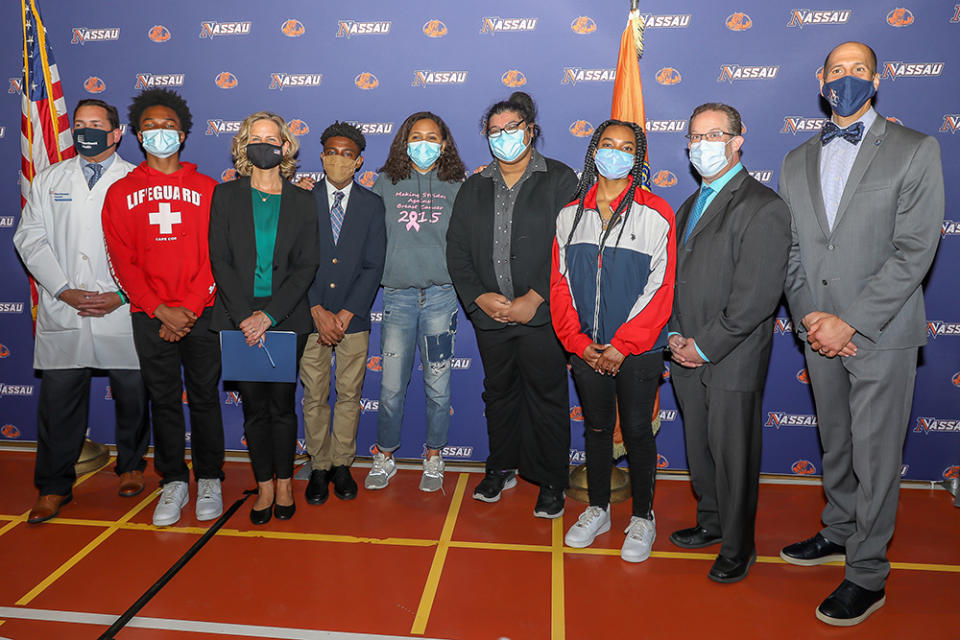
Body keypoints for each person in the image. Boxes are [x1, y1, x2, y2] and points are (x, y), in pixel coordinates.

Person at [779, 41, 944, 625]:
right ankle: (839, 530)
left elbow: (915, 249)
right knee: (838, 446)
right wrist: (812, 321)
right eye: (836, 70)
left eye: (858, 70)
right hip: (818, 331)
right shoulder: (796, 158)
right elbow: (793, 252)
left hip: (882, 332)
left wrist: (850, 320)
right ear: (820, 79)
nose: (846, 78)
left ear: (876, 81)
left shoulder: (914, 149)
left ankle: (867, 573)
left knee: (876, 458)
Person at [666, 103, 791, 583]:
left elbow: (756, 298)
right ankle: (712, 522)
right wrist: (675, 335)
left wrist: (705, 345)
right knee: (700, 448)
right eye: (695, 137)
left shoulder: (763, 206)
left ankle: (739, 547)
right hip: (684, 350)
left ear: (738, 140)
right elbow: (674, 281)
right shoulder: (688, 205)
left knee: (734, 454)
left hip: (730, 357)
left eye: (714, 135)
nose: (703, 145)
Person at [14, 99, 149, 523]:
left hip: (121, 308)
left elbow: (153, 251)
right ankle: (54, 487)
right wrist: (63, 289)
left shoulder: (137, 180)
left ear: (116, 133)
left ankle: (130, 466)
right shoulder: (51, 177)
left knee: (132, 395)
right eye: (79, 124)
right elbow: (30, 238)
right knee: (58, 404)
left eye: (96, 124)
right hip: (65, 307)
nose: (86, 131)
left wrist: (123, 296)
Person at [446, 91, 578, 518]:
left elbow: (569, 245)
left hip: (540, 316)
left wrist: (534, 298)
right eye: (495, 131)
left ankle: (551, 479)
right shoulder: (474, 186)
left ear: (531, 131)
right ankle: (500, 467)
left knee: (547, 397)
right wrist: (479, 298)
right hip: (491, 317)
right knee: (498, 395)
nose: (504, 137)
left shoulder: (560, 179)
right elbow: (457, 250)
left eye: (512, 128)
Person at [550, 120, 675, 560]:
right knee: (599, 429)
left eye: (627, 147)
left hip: (638, 350)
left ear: (638, 157)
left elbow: (661, 287)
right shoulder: (570, 214)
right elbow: (559, 285)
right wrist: (579, 342)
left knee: (638, 431)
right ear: (594, 150)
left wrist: (623, 344)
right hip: (586, 349)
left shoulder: (657, 212)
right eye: (608, 145)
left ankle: (643, 517)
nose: (616, 153)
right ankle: (599, 508)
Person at [102, 88, 225, 528]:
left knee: (206, 398)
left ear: (184, 134)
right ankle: (173, 480)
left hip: (202, 311)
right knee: (165, 400)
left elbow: (217, 256)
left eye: (168, 125)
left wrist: (188, 307)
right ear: (137, 134)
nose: (160, 132)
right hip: (150, 315)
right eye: (151, 126)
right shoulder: (120, 193)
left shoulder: (208, 189)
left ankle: (210, 476)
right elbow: (122, 261)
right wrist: (159, 309)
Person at [209, 112, 319, 525]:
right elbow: (219, 260)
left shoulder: (304, 200)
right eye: (254, 137)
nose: (263, 144)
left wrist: (269, 316)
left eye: (271, 138)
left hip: (286, 317)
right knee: (256, 407)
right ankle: (264, 484)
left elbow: (307, 265)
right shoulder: (225, 196)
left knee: (283, 406)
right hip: (238, 318)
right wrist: (245, 317)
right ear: (243, 146)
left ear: (285, 147)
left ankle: (286, 481)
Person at [362, 112, 466, 493]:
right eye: (416, 136)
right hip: (398, 297)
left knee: (438, 385)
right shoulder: (386, 182)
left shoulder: (457, 184)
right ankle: (385, 455)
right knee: (390, 386)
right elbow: (364, 225)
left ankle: (435, 456)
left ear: (444, 143)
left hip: (441, 296)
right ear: (404, 142)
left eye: (432, 137)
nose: (424, 144)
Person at [299, 122, 386, 505]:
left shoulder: (371, 204)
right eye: (332, 152)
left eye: (347, 153)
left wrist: (347, 312)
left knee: (350, 394)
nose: (339, 159)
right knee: (315, 395)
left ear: (359, 160)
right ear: (321, 157)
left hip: (354, 319)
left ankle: (342, 463)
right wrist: (317, 308)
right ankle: (319, 465)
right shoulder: (301, 199)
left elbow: (373, 264)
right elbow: (296, 261)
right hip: (310, 316)